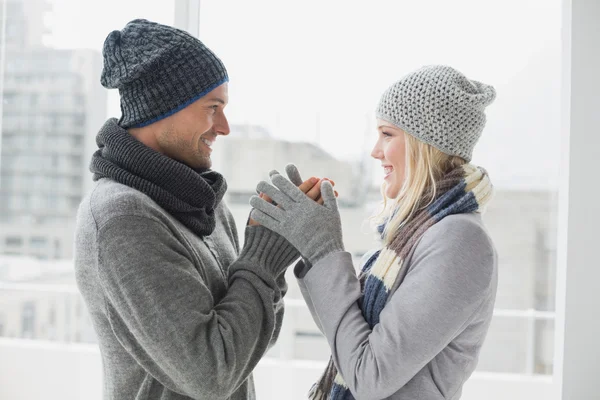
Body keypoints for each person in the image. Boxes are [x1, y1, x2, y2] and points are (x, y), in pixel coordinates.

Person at [73, 19, 327, 400]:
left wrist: (271, 253)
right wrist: (261, 258)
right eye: (213, 108)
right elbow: (211, 375)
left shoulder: (201, 202)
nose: (223, 127)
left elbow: (251, 344)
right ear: (162, 107)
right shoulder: (123, 218)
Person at [250, 65, 498, 399]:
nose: (376, 151)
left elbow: (369, 377)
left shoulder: (460, 240)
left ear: (424, 142)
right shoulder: (415, 232)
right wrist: (310, 246)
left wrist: (325, 251)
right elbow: (347, 347)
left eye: (388, 134)